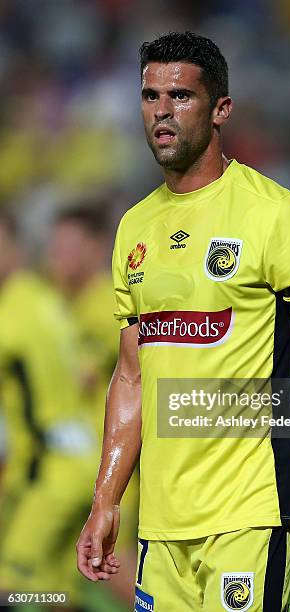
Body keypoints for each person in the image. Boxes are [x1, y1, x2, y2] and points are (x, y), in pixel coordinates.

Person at [77, 31, 290, 611]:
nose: (161, 112)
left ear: (220, 109)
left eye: (180, 97)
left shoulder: (278, 216)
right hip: (163, 520)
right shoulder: (134, 228)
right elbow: (130, 375)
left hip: (251, 508)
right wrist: (106, 498)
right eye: (150, 96)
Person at [0, 212, 96, 608]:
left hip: (50, 469)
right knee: (56, 592)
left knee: (5, 585)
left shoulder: (11, 316)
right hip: (79, 459)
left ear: (14, 249)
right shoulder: (43, 300)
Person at [48, 204, 139, 606]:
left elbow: (129, 375)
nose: (59, 256)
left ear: (95, 248)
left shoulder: (108, 306)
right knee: (58, 571)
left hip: (105, 459)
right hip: (71, 458)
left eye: (71, 246)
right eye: (56, 246)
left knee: (107, 560)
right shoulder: (62, 303)